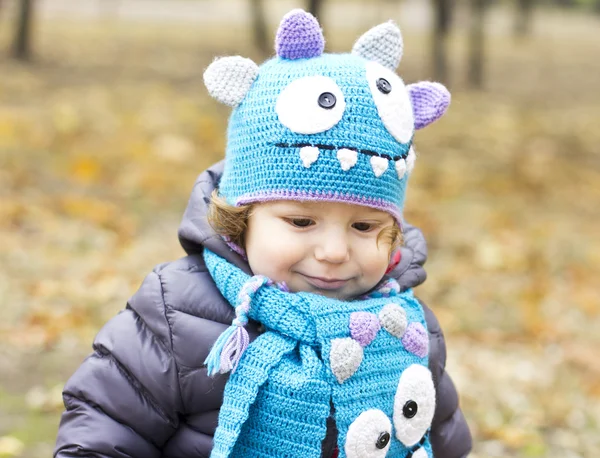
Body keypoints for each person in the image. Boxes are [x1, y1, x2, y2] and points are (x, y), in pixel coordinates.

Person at [54, 9, 472, 458]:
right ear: (243, 216)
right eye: (300, 221)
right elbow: (105, 427)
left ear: (392, 233)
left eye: (364, 227)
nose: (333, 252)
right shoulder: (177, 314)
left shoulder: (406, 328)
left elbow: (441, 439)